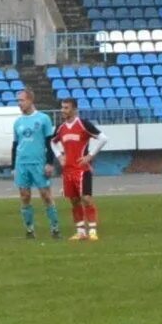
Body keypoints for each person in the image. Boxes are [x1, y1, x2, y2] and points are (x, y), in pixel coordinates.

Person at [10, 88, 61, 239]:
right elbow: (15, 145)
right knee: (25, 196)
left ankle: (55, 227)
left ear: (30, 100)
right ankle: (30, 229)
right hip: (22, 164)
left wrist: (50, 163)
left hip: (39, 163)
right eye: (18, 101)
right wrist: (13, 166)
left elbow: (49, 142)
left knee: (45, 195)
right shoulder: (17, 122)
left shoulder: (43, 119)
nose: (19, 104)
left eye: (22, 100)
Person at [53, 95, 103, 241]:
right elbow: (51, 142)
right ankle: (80, 231)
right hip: (68, 170)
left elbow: (103, 138)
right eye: (62, 107)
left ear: (74, 109)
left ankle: (92, 230)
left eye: (66, 108)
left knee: (86, 199)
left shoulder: (83, 124)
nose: (63, 110)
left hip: (82, 169)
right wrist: (59, 156)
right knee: (74, 200)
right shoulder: (61, 128)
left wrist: (90, 156)